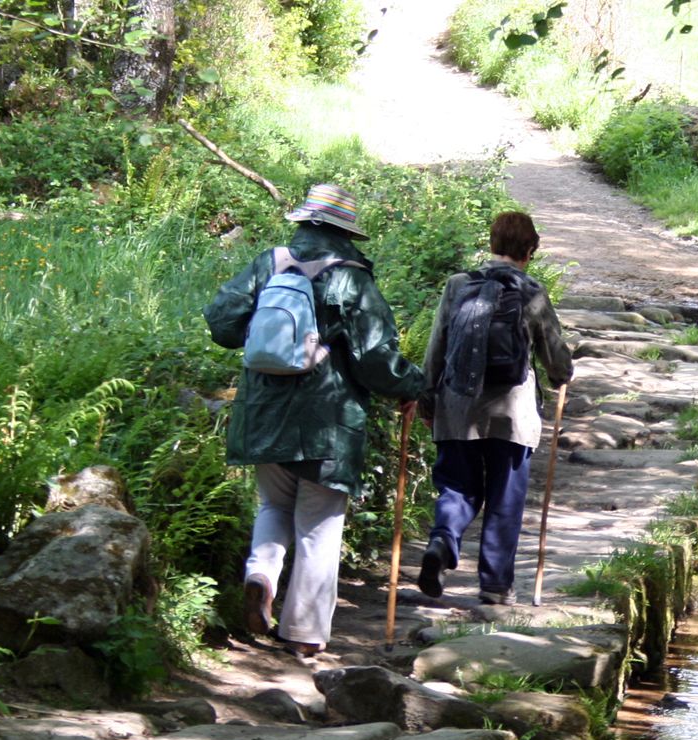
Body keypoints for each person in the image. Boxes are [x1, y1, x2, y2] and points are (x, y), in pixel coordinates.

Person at [204, 183, 424, 657]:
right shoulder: (352, 279)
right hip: (329, 422)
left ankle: (261, 574)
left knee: (274, 507)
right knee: (318, 525)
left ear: (305, 220)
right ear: (346, 231)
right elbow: (374, 358)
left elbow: (222, 323)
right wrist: (413, 386)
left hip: (262, 413)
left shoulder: (271, 262)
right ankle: (302, 635)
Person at [416, 210, 573, 606]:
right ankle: (495, 587)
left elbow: (437, 347)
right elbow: (555, 356)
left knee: (457, 486)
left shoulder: (457, 286)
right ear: (530, 251)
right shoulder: (532, 293)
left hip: (457, 407)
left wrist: (426, 395)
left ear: (492, 244)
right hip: (511, 414)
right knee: (505, 497)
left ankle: (441, 544)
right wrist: (561, 377)